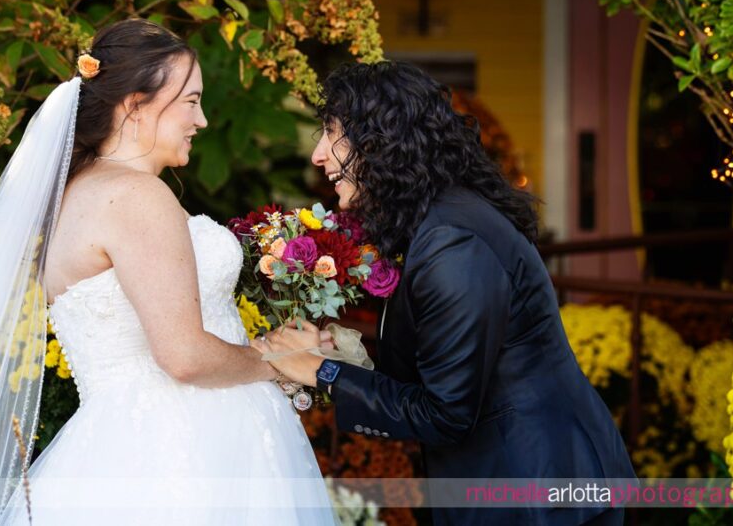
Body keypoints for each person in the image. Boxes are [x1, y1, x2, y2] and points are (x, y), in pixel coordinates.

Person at [0, 18, 337, 525]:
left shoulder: (72, 196)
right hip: (185, 451)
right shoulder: (137, 197)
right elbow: (184, 356)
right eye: (190, 102)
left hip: (113, 449)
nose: (203, 120)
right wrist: (283, 361)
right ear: (134, 107)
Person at [258, 61, 636, 525]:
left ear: (381, 140)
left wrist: (324, 372)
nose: (318, 155)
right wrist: (341, 357)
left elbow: (446, 412)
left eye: (332, 132)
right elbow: (443, 369)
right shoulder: (434, 220)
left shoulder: (450, 241)